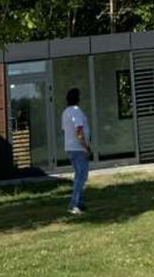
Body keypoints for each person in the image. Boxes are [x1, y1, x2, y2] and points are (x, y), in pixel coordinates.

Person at [61, 87, 91, 215]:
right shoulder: (76, 111)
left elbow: (64, 130)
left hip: (70, 147)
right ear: (77, 98)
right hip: (78, 148)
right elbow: (79, 129)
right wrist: (85, 146)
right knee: (81, 177)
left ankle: (79, 202)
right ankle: (74, 204)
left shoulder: (65, 112)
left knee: (79, 175)